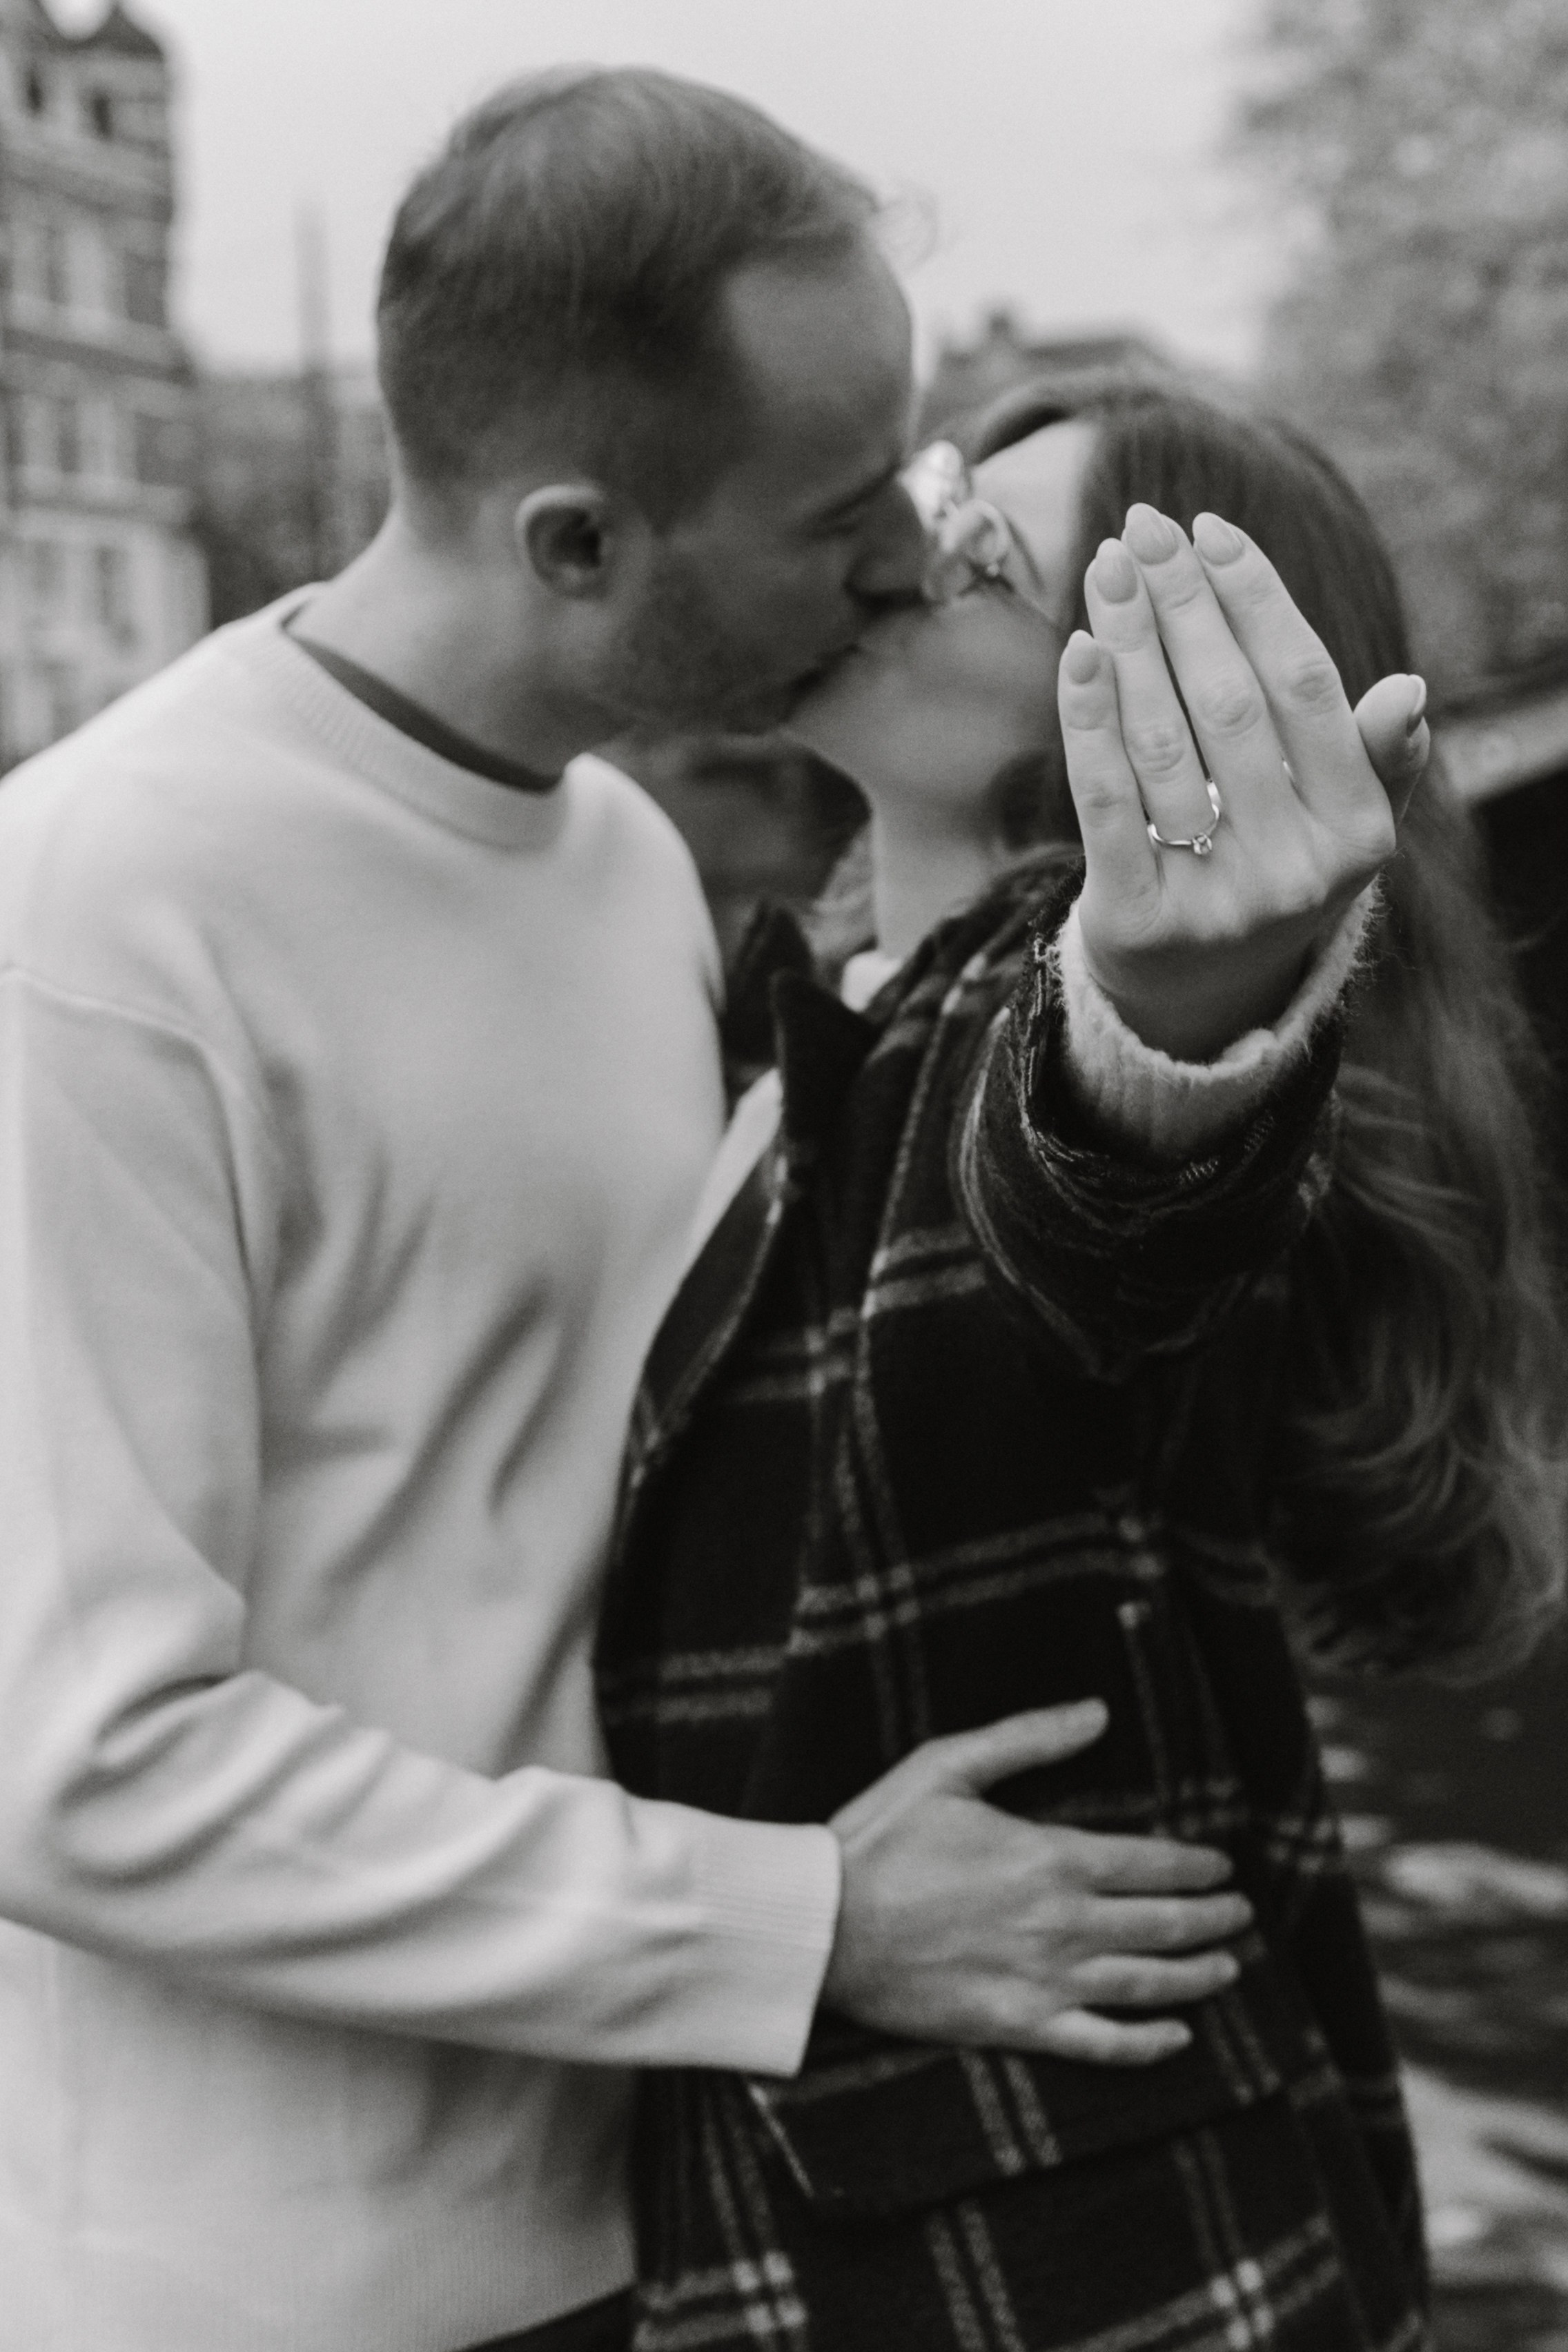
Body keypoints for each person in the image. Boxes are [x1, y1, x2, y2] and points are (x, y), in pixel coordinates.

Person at [0, 77, 1375, 2352]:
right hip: (279, 2293)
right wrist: (798, 1919)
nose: (908, 569)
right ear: (576, 545)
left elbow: (968, 1268)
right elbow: (71, 1767)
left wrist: (1175, 1025)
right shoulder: (88, 923)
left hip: (683, 2221)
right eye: (852, 513)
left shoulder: (632, 858)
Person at [595, 386, 1567, 2349]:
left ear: (1162, 704)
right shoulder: (779, 1000)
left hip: (1071, 2276)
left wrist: (1168, 1009)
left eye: (990, 557)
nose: (901, 548)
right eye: (940, 492)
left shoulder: (1032, 1024)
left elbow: (1082, 1190)